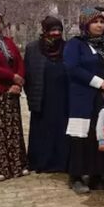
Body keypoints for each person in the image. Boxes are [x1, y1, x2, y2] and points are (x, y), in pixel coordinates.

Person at [65, 8, 104, 193]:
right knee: (81, 136)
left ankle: (96, 174)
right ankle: (76, 176)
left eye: (102, 22)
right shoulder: (76, 44)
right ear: (85, 24)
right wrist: (99, 83)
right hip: (83, 97)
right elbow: (72, 67)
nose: (100, 25)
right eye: (95, 22)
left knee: (99, 135)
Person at [0, 9, 27, 181]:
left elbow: (19, 62)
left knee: (12, 129)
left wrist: (18, 81)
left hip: (11, 91)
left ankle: (17, 165)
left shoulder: (6, 41)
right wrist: (11, 76)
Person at [24, 15, 69, 173]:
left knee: (61, 128)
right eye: (52, 30)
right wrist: (31, 97)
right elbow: (28, 74)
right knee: (43, 128)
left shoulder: (67, 47)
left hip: (63, 95)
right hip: (42, 94)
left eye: (58, 30)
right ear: (45, 30)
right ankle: (41, 162)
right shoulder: (33, 48)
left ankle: (61, 162)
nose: (56, 33)